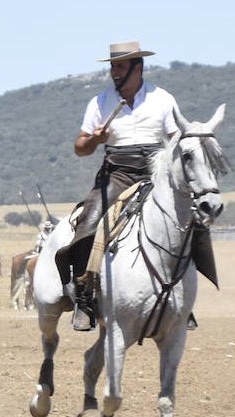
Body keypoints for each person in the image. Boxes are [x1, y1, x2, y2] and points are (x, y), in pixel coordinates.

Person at [67, 40, 179, 331]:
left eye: (120, 67)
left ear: (137, 67)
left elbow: (177, 138)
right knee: (87, 223)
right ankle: (84, 299)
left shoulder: (162, 99)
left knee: (191, 222)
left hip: (156, 173)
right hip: (117, 172)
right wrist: (95, 139)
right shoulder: (100, 102)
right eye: (113, 67)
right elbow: (80, 147)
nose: (114, 72)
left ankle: (184, 299)